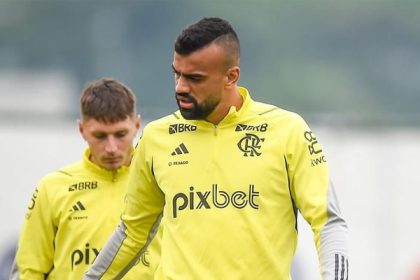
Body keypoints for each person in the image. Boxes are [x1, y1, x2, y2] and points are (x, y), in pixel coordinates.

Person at [84, 17, 348, 280]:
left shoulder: (287, 130)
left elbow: (328, 223)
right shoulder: (156, 137)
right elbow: (133, 231)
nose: (180, 87)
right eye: (177, 73)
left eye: (195, 78)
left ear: (231, 77)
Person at [10, 78, 160, 279]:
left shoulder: (160, 183)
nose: (111, 147)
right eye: (100, 136)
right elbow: (28, 270)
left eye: (120, 134)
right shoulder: (53, 188)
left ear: (137, 125)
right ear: (82, 130)